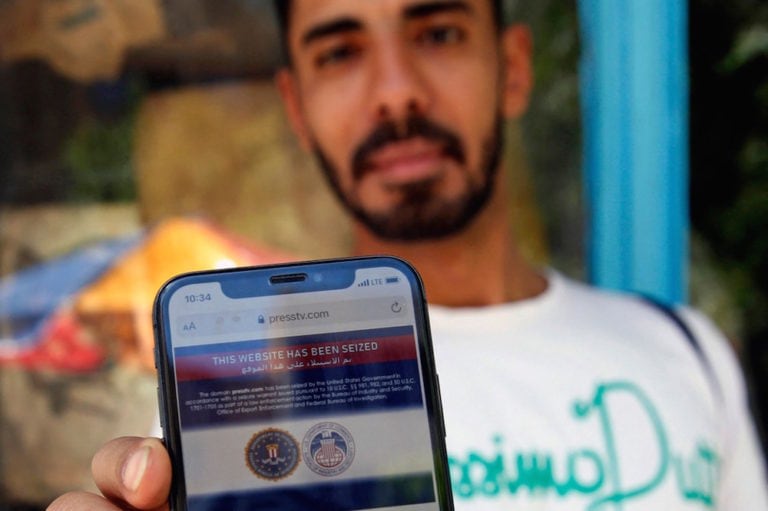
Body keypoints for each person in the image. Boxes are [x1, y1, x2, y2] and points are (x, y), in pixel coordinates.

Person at [48, 0, 768, 509]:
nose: (396, 92)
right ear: (297, 108)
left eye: (439, 33)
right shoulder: (237, 387)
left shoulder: (688, 353)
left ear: (513, 68)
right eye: (341, 51)